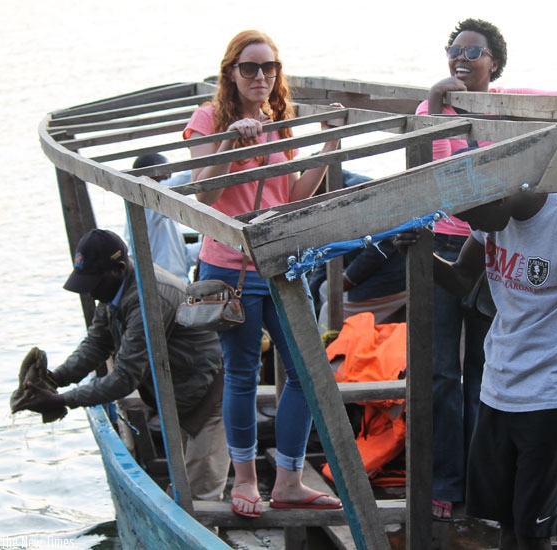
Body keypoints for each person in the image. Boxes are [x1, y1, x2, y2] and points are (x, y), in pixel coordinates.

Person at [416, 18, 557, 521]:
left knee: (477, 369)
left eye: (474, 53)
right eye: (455, 50)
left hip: (496, 232)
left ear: (495, 63)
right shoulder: (433, 107)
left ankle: (478, 484)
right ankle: (450, 483)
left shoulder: (508, 111)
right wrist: (438, 102)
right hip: (459, 231)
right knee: (441, 373)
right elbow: (433, 177)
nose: (462, 59)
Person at [394, 185, 557, 549]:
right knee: (505, 521)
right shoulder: (489, 217)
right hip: (499, 388)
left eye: (473, 217)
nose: (472, 225)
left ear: (500, 197)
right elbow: (460, 280)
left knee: (534, 531)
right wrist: (419, 250)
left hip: (554, 395)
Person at [184, 29, 342, 518]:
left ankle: (290, 479)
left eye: (269, 67)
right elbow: (202, 196)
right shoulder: (208, 120)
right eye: (250, 67)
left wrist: (327, 151)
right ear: (230, 72)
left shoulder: (280, 121)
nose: (261, 76)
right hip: (229, 265)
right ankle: (246, 479)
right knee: (242, 374)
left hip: (279, 262)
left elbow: (290, 199)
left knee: (304, 373)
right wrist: (233, 142)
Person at [16, 228, 229, 501]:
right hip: (180, 395)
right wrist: (56, 378)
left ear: (118, 269)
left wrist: (63, 400)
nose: (90, 293)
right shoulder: (113, 292)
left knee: (199, 500)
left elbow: (124, 378)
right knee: (184, 491)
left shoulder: (148, 298)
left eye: (93, 282)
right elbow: (96, 343)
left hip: (209, 395)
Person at [308, 171, 407, 330]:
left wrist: (348, 278)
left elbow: (385, 243)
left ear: (321, 179)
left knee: (330, 311)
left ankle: (332, 353)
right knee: (323, 288)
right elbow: (327, 252)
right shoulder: (332, 192)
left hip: (394, 275)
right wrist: (309, 297)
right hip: (371, 272)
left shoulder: (359, 190)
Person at [123, 153, 200, 282]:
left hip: (180, 283)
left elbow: (182, 257)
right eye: (165, 174)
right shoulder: (145, 205)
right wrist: (209, 160)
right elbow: (183, 179)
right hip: (163, 287)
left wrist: (209, 246)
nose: (169, 177)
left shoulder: (161, 213)